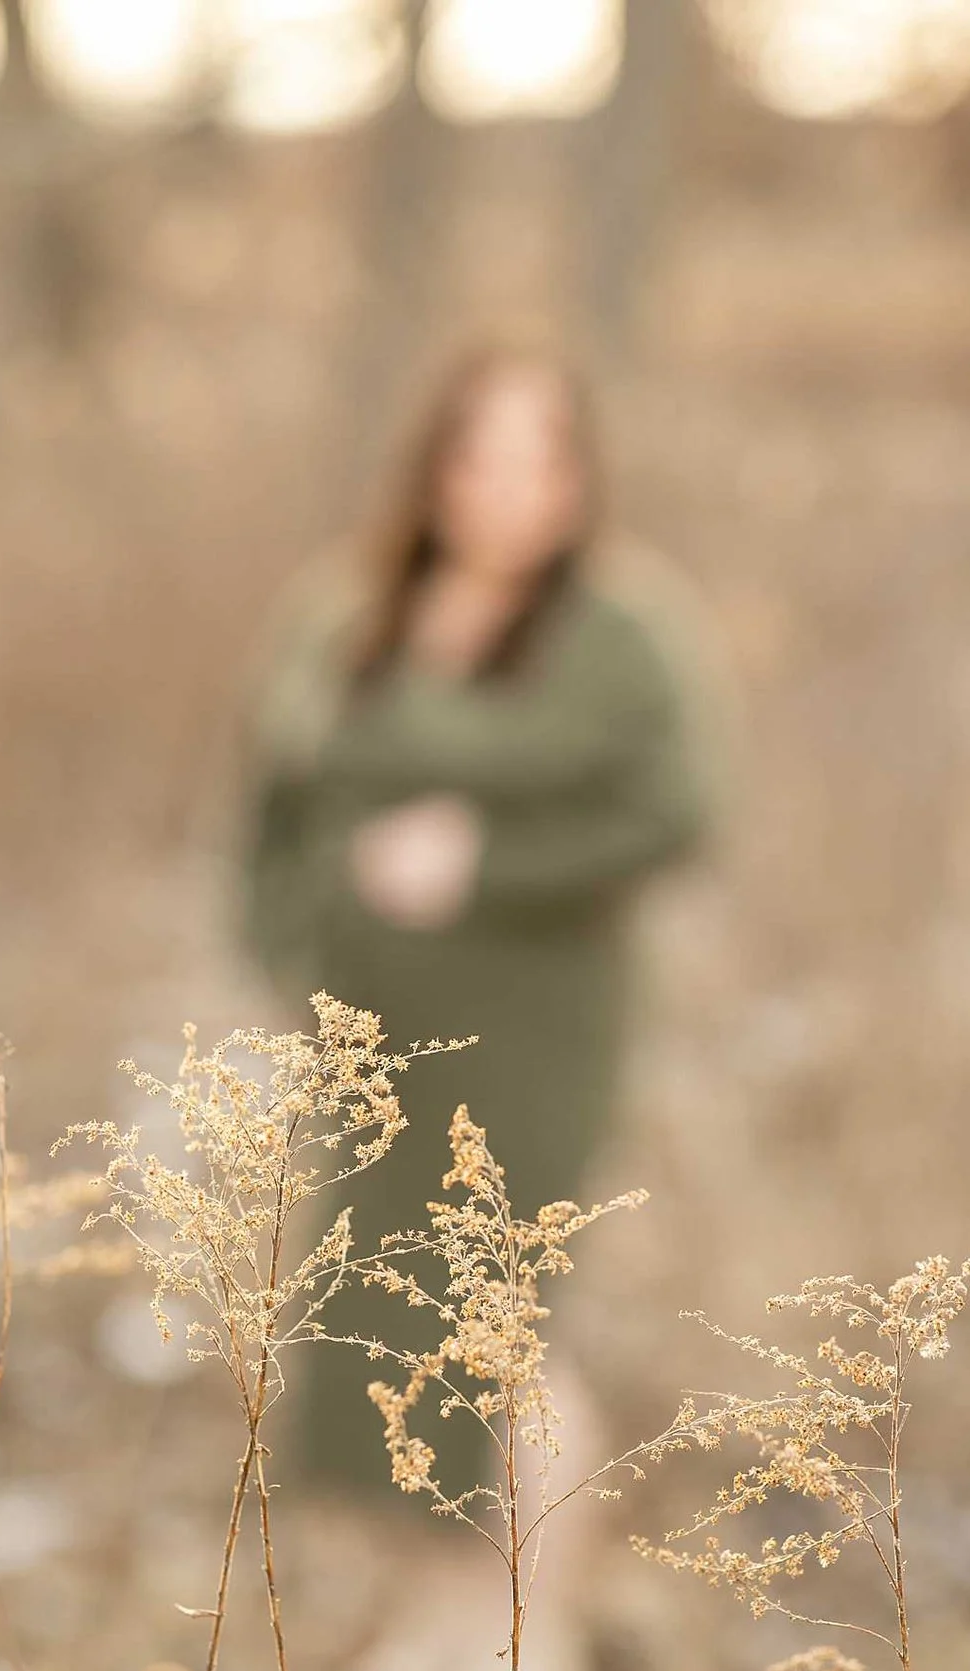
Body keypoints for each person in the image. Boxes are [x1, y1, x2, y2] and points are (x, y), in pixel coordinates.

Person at [239, 345, 706, 1500]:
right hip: (369, 1034)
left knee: (501, 1318)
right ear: (435, 469)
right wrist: (284, 946)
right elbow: (267, 803)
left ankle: (530, 1637)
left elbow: (673, 816)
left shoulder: (621, 637)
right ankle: (445, 1616)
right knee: (374, 1319)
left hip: (530, 1041)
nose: (508, 490)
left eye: (539, 461)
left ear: (577, 481)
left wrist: (486, 863)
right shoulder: (349, 616)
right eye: (482, 458)